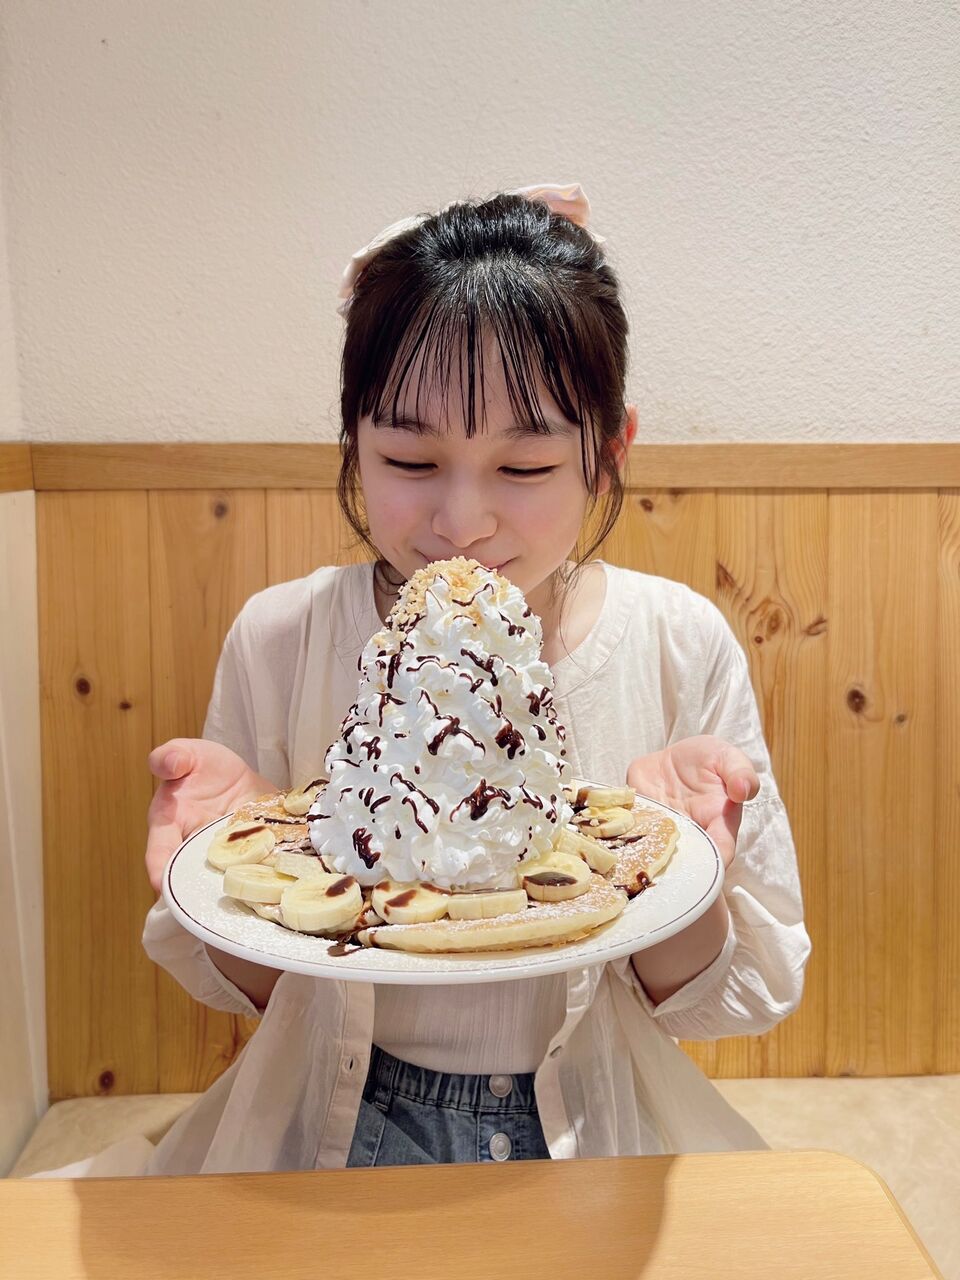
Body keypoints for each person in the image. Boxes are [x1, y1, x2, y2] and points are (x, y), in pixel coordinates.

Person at [43, 184, 810, 1178]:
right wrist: (236, 877)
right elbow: (256, 991)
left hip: (599, 1134)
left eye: (525, 468)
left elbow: (727, 998)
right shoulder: (282, 639)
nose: (462, 522)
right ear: (353, 442)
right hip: (321, 1126)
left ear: (609, 452)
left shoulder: (676, 641)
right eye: (410, 457)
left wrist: (683, 871)